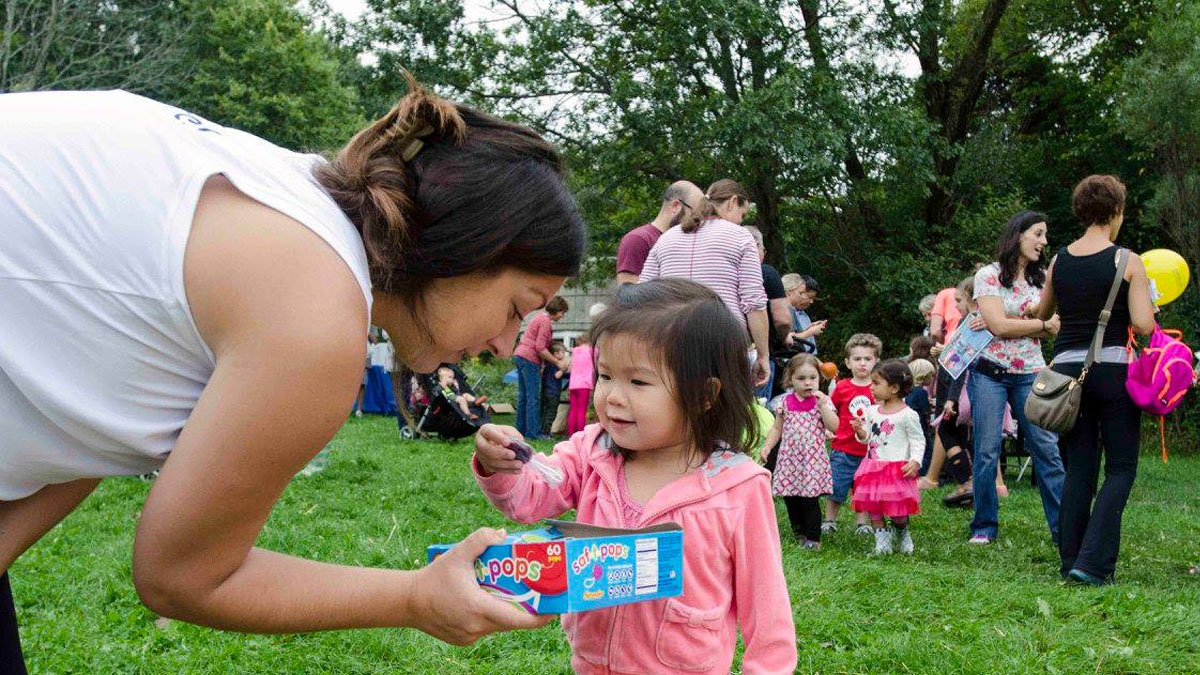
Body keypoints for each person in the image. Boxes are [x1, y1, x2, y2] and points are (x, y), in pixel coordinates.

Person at [0, 78, 586, 670]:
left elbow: (85, 422)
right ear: (467, 249)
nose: (505, 344)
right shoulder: (316, 313)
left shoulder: (288, 197)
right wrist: (416, 596)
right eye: (516, 308)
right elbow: (183, 577)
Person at [471, 279, 797, 674]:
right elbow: (529, 497)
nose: (612, 396)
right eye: (606, 376)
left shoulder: (738, 487)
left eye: (638, 381)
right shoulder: (593, 452)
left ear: (704, 395)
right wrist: (502, 465)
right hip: (591, 664)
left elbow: (767, 606)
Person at [1034, 175, 1155, 585]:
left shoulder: (1059, 260)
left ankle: (1070, 559)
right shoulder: (1128, 261)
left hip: (1067, 373)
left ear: (1081, 211)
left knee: (1079, 468)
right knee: (1120, 468)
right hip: (1111, 371)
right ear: (1116, 211)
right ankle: (1092, 563)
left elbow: (1043, 312)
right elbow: (1143, 324)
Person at [968, 210, 1066, 546]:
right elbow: (999, 326)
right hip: (989, 374)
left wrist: (1016, 322)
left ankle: (1063, 529)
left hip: (1031, 373)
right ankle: (984, 526)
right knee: (986, 452)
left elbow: (1055, 326)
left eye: (1045, 235)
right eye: (1038, 234)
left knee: (1047, 450)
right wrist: (1037, 324)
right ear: (1018, 235)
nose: (1044, 241)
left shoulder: (1043, 280)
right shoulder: (988, 275)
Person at [639, 179, 770, 388]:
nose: (740, 221)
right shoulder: (741, 237)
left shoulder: (666, 238)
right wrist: (763, 355)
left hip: (670, 340)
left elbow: (642, 296)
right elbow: (754, 303)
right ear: (732, 202)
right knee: (721, 404)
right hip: (724, 340)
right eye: (742, 214)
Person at [760, 354, 839, 550]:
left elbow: (834, 426)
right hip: (789, 460)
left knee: (809, 499)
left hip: (811, 461)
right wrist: (768, 446)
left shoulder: (822, 402)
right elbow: (777, 428)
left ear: (819, 379)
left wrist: (823, 407)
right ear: (791, 379)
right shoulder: (785, 402)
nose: (807, 383)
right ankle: (799, 532)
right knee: (791, 497)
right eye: (801, 378)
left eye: (812, 378)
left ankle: (813, 537)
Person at [850, 360, 925, 555]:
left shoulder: (908, 415)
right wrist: (859, 431)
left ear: (894, 388)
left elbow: (918, 440)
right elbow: (867, 438)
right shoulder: (872, 411)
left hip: (896, 470)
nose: (871, 387)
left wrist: (915, 461)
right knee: (874, 508)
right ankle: (882, 546)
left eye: (876, 383)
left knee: (898, 512)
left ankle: (902, 532)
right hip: (873, 468)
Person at [822, 333, 882, 535]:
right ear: (848, 362)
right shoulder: (842, 387)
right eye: (857, 359)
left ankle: (862, 523)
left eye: (868, 359)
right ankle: (829, 520)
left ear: (876, 361)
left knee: (863, 489)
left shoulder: (878, 389)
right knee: (837, 487)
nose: (862, 363)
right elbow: (831, 412)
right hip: (843, 448)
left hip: (869, 451)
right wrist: (827, 429)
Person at [615, 181, 704, 285]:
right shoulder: (637, 239)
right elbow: (627, 291)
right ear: (676, 206)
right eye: (695, 214)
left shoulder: (686, 242)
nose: (699, 221)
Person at [513, 296, 570, 440]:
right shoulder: (545, 321)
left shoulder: (539, 317)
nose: (562, 316)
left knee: (524, 396)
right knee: (533, 397)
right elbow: (540, 347)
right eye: (562, 313)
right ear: (557, 310)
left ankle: (520, 430)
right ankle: (533, 433)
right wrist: (557, 362)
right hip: (529, 358)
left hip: (520, 354)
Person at [745, 226, 791, 399]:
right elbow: (782, 319)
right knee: (758, 407)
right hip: (759, 354)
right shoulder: (766, 273)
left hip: (725, 351)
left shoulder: (723, 274)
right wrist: (784, 337)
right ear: (756, 246)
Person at [783, 273, 825, 355]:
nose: (801, 297)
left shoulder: (802, 315)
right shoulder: (784, 310)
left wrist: (809, 328)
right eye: (800, 293)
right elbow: (789, 339)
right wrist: (811, 331)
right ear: (789, 292)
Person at [906, 359, 935, 474]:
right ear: (924, 376)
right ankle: (922, 473)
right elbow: (925, 410)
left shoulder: (909, 391)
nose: (932, 378)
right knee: (927, 450)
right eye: (931, 375)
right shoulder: (922, 392)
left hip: (910, 425)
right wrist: (931, 407)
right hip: (920, 426)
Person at [566, 333, 594, 437]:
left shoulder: (575, 351)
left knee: (573, 410)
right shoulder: (592, 351)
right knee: (582, 410)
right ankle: (580, 435)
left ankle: (571, 434)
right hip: (585, 385)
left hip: (573, 385)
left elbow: (570, 367)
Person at [540, 341, 569, 435]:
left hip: (546, 391)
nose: (564, 355)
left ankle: (542, 431)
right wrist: (564, 369)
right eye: (562, 352)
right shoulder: (554, 364)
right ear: (556, 354)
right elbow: (557, 375)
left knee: (545, 412)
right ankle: (546, 433)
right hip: (553, 392)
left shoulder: (547, 364)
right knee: (551, 412)